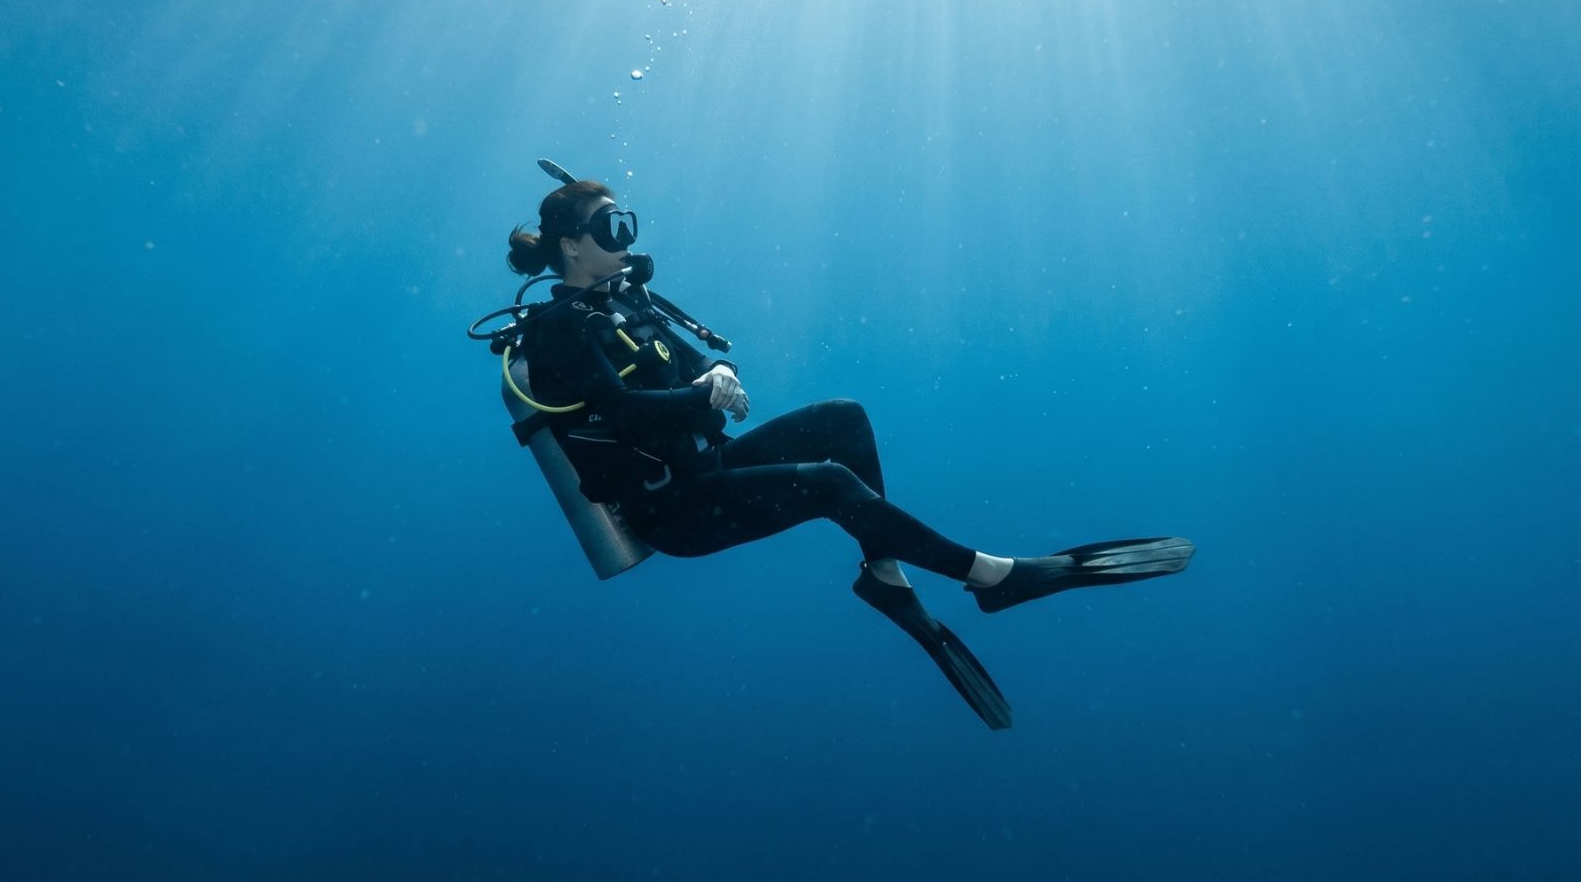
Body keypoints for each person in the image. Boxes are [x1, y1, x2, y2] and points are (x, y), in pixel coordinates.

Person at [501, 177, 1194, 728]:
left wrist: (718, 372)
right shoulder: (556, 331)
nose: (626, 238)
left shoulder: (629, 303)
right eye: (610, 228)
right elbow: (619, 410)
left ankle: (886, 575)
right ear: (571, 246)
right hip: (669, 511)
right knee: (831, 484)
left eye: (627, 223)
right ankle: (992, 575)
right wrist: (702, 395)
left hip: (704, 468)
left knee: (843, 418)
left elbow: (696, 362)